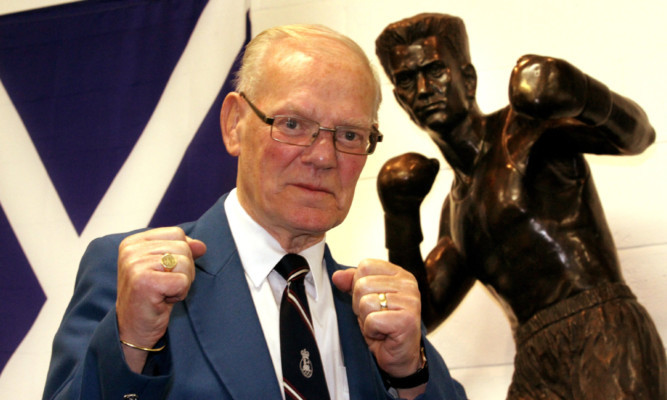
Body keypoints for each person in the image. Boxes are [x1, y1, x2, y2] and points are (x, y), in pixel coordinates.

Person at [42, 24, 467, 400]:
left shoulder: (375, 311)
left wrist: (411, 375)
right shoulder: (133, 279)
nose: (323, 156)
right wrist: (129, 341)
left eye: (350, 134)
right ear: (234, 124)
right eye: (293, 124)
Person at [375, 13, 666, 399]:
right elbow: (421, 314)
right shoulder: (456, 212)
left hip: (603, 329)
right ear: (400, 100)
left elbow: (640, 137)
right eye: (407, 80)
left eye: (435, 70)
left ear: (469, 77)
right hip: (534, 359)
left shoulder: (526, 127)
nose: (425, 89)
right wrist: (400, 219)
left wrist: (580, 91)